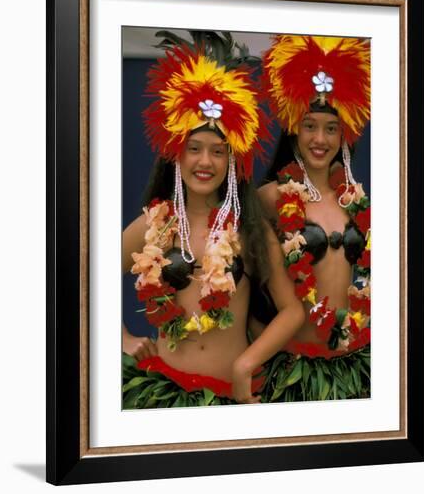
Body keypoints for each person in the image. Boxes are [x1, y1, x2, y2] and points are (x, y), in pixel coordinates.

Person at [122, 33, 305, 408]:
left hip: (229, 397)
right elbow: (81, 279)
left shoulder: (249, 231)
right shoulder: (153, 226)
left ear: (232, 162)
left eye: (218, 152)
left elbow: (292, 310)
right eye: (194, 149)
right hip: (161, 391)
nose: (205, 162)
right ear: (176, 154)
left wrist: (246, 364)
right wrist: (121, 339)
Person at [254, 35, 371, 402]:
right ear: (294, 129)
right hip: (292, 370)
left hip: (355, 364)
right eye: (310, 125)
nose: (320, 138)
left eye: (331, 128)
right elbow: (239, 284)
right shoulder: (271, 198)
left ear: (344, 134)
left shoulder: (356, 201)